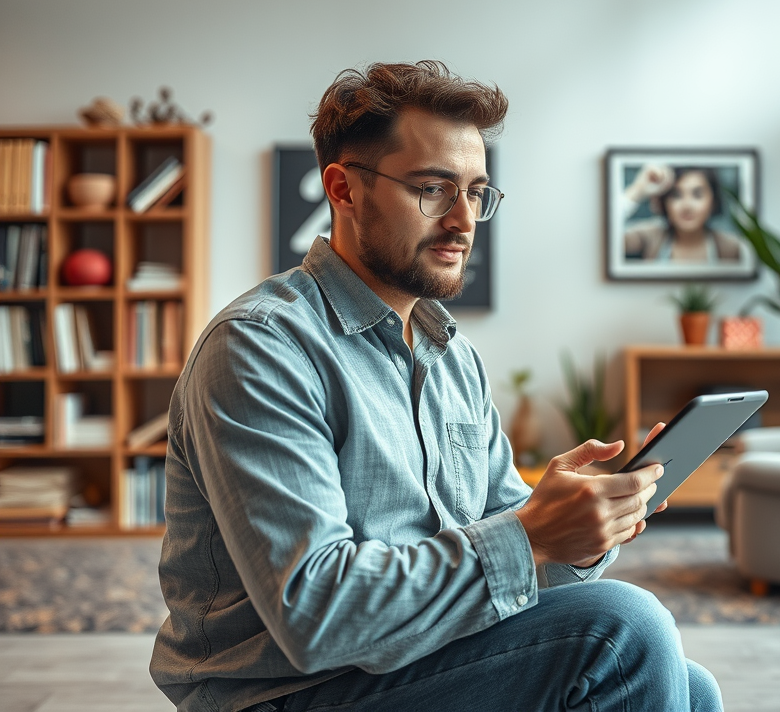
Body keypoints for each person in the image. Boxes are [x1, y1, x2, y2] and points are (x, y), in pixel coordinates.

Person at [150, 61, 725, 712]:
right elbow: (316, 616)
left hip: (413, 659)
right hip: (282, 691)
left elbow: (520, 556)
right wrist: (532, 534)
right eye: (432, 189)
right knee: (623, 629)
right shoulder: (260, 347)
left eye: (477, 192)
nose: (463, 220)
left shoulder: (452, 355)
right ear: (342, 190)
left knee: (689, 683)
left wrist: (588, 529)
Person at [623, 164, 742, 262]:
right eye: (676, 195)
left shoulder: (732, 247)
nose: (687, 206)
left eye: (697, 195)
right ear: (665, 202)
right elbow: (606, 241)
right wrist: (638, 189)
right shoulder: (649, 236)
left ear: (713, 200)